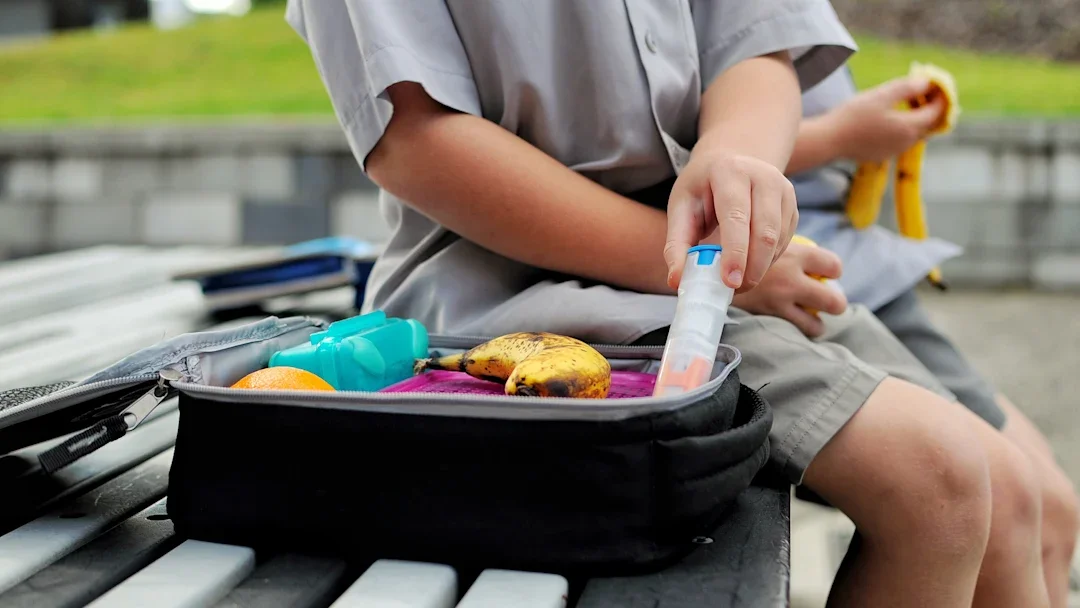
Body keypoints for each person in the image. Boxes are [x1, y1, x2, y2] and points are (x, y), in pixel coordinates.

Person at [286, 1, 1051, 604]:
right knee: (938, 481)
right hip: (521, 297)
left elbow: (757, 46)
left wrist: (732, 165)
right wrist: (687, 260)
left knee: (1014, 495)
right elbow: (416, 142)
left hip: (730, 268)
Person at [787, 64, 1080, 607]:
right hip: (797, 277)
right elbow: (679, 159)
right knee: (1003, 505)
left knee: (1053, 510)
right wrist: (842, 136)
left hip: (854, 270)